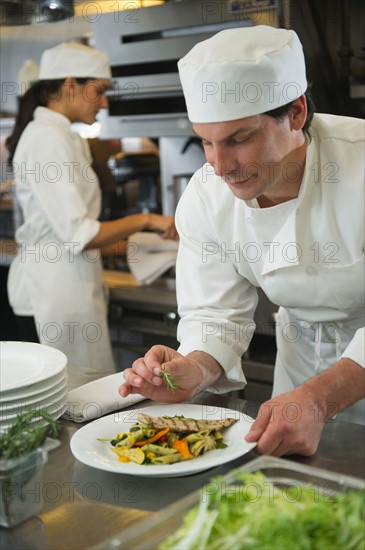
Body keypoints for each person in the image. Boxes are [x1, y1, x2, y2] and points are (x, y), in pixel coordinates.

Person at [119, 26, 365, 457]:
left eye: (239, 139)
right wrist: (194, 368)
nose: (220, 166)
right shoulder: (206, 196)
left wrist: (320, 398)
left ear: (296, 113)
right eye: (206, 142)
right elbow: (216, 314)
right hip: (297, 385)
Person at [6, 42, 177, 389]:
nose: (104, 103)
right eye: (99, 92)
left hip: (73, 285)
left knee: (88, 390)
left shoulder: (66, 137)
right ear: (70, 85)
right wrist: (149, 221)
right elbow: (79, 232)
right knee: (73, 398)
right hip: (54, 294)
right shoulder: (45, 139)